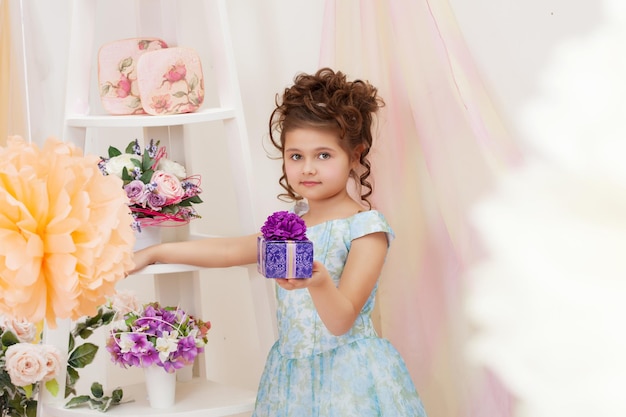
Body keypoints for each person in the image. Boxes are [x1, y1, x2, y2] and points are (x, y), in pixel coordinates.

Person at [130, 68, 427, 417]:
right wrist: (154, 252)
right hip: (292, 381)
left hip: (350, 380)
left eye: (324, 155)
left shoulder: (366, 228)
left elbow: (341, 320)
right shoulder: (290, 227)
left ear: (356, 155)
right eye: (296, 156)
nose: (308, 169)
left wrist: (317, 282)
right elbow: (228, 251)